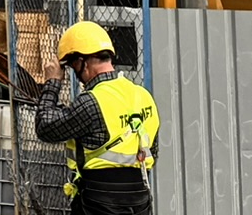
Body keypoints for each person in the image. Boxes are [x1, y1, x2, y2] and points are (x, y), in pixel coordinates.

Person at [34, 21, 159, 214]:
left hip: (99, 203)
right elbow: (153, 152)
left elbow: (45, 127)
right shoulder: (143, 96)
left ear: (83, 62)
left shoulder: (91, 102)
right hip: (140, 201)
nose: (75, 74)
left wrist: (52, 84)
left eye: (73, 66)